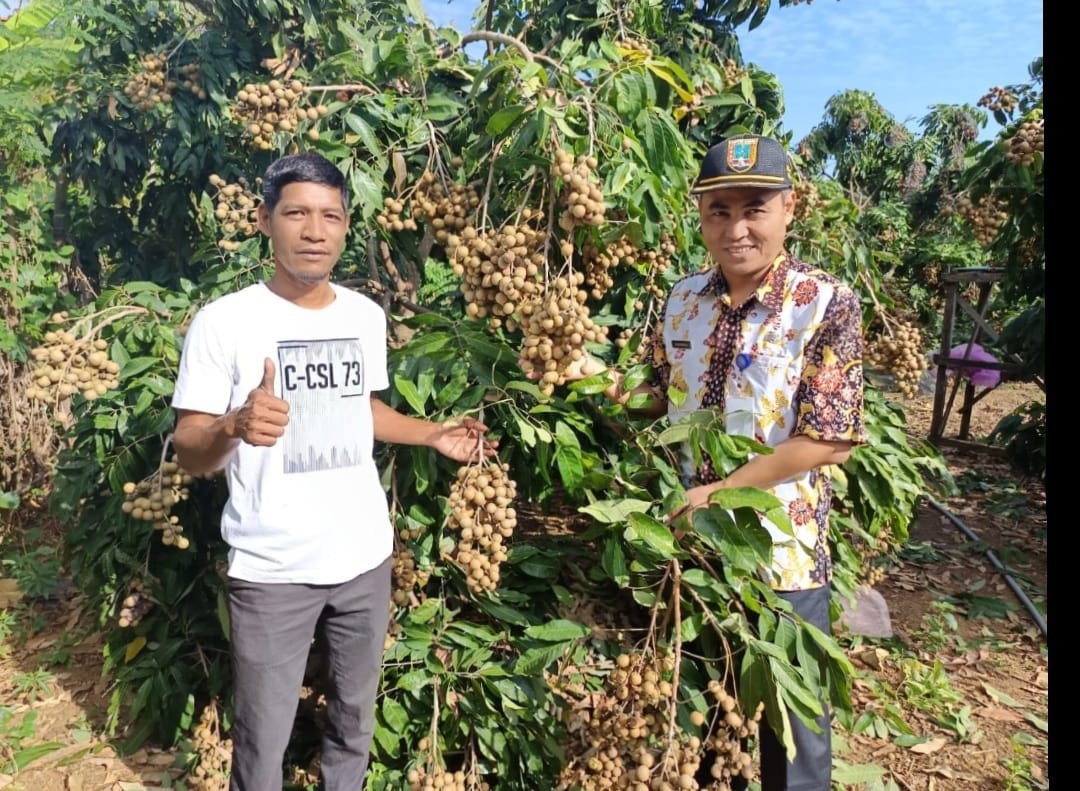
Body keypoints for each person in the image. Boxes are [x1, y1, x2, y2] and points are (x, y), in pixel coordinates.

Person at [171, 151, 496, 791]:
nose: (315, 231)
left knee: (353, 722)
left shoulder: (363, 315)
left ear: (346, 226)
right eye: (296, 214)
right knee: (262, 739)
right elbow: (188, 447)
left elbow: (361, 409)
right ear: (264, 219)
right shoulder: (225, 321)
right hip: (272, 569)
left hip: (364, 559)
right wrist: (234, 425)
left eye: (331, 216)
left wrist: (432, 434)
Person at [551, 135, 867, 790]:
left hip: (780, 555)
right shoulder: (683, 299)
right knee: (707, 714)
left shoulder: (822, 303)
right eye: (719, 211)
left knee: (793, 731)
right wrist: (587, 373)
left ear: (789, 208)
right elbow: (655, 394)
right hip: (690, 552)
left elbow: (829, 439)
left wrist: (718, 493)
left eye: (754, 209)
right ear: (701, 216)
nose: (736, 228)